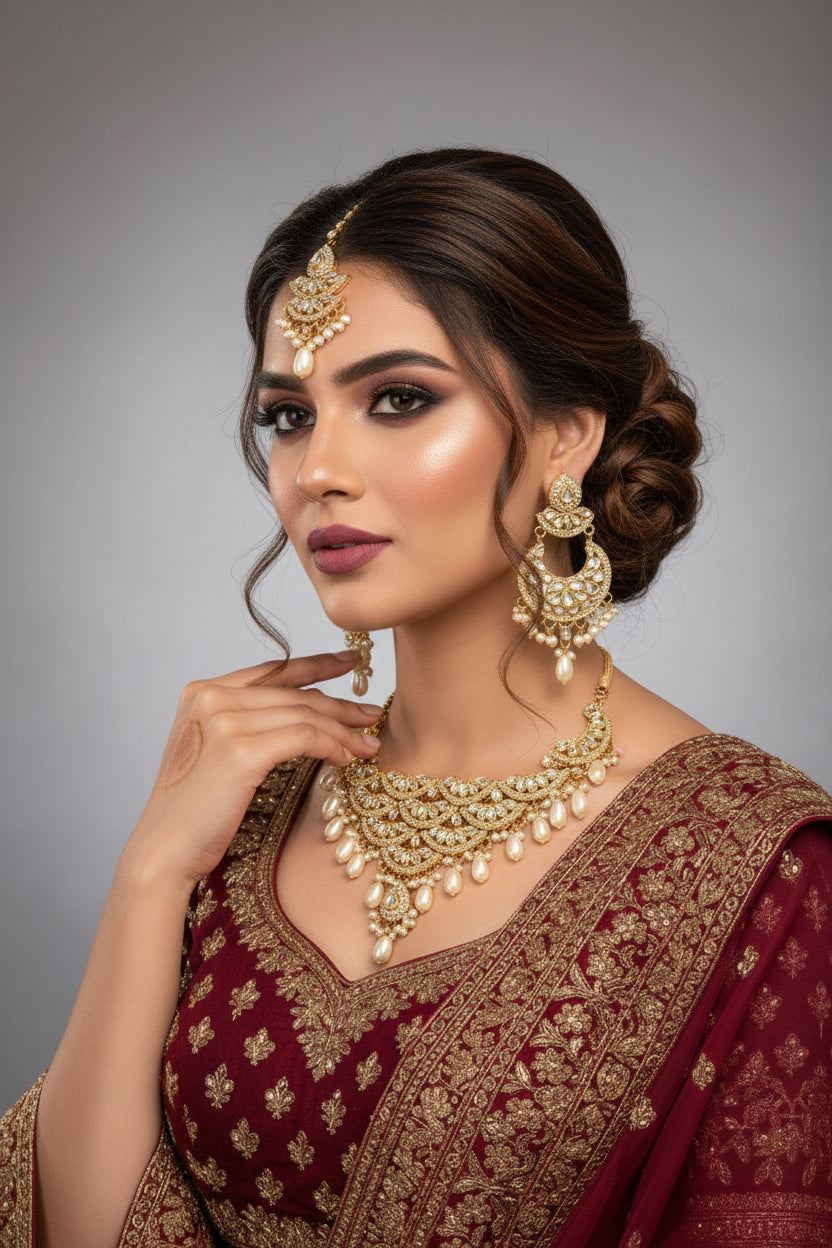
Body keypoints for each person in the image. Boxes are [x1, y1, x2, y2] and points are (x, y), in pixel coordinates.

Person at [2, 148, 830, 1248]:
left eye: (398, 399)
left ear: (563, 436)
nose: (317, 471)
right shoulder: (244, 803)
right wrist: (153, 867)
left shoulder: (753, 867)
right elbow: (77, 1230)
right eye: (287, 415)